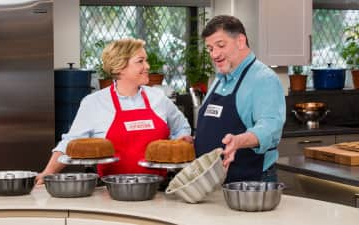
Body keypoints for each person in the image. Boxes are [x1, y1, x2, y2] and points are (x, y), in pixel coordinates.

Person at [36, 38, 192, 184]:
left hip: (158, 190)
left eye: (146, 60)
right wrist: (47, 173)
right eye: (140, 61)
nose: (148, 66)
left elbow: (181, 128)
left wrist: (181, 140)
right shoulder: (94, 103)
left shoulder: (158, 98)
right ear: (120, 68)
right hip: (110, 193)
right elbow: (70, 144)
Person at [194, 15, 286, 183]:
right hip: (215, 182)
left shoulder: (264, 79)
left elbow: (270, 127)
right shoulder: (219, 79)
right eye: (210, 48)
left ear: (240, 41)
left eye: (220, 45)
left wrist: (238, 141)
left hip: (250, 182)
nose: (214, 54)